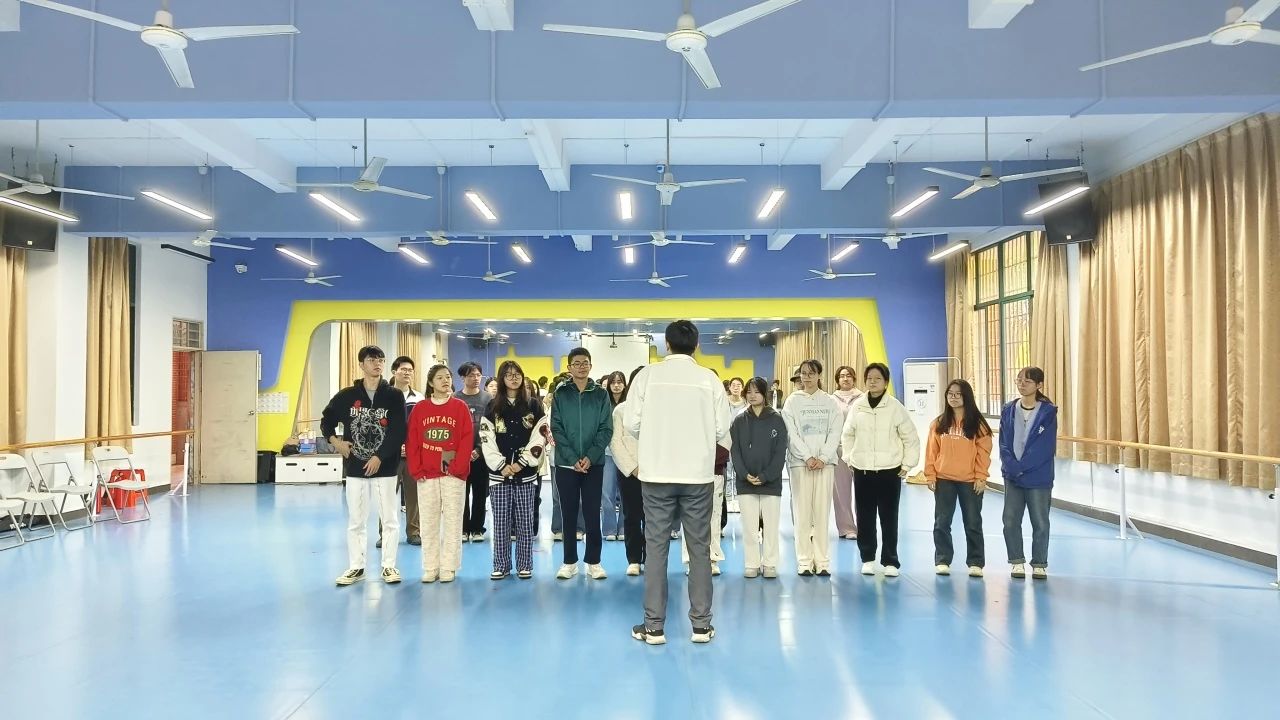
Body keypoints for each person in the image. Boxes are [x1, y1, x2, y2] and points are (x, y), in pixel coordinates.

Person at [625, 321, 730, 645]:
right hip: (697, 476)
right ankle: (701, 625)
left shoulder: (647, 376)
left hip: (656, 474)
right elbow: (722, 428)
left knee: (656, 549)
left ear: (666, 345)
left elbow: (631, 423)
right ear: (696, 346)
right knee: (699, 550)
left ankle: (653, 627)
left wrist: (655, 435)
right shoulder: (709, 379)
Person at [321, 345, 407, 586]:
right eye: (371, 360)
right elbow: (327, 420)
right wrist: (336, 442)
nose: (377, 363)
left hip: (385, 468)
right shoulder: (347, 396)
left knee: (389, 519)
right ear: (361, 364)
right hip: (356, 468)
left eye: (381, 359)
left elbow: (398, 430)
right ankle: (356, 567)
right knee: (356, 521)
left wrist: (380, 456)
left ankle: (389, 565)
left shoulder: (393, 395)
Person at [840, 363, 921, 578]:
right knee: (865, 517)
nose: (873, 382)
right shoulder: (858, 406)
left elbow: (910, 437)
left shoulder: (895, 407)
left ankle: (890, 561)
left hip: (889, 471)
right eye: (869, 378)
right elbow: (847, 434)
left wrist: (907, 464)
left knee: (889, 517)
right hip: (863, 471)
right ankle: (867, 558)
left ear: (886, 382)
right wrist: (849, 458)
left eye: (877, 378)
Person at [550, 348, 614, 580]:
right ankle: (569, 562)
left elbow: (606, 428)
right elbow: (556, 427)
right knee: (568, 513)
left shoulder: (600, 394)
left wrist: (591, 455)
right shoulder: (561, 393)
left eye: (585, 363)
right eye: (576, 363)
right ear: (569, 367)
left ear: (590, 365)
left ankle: (594, 562)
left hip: (593, 464)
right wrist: (571, 458)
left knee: (592, 512)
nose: (581, 367)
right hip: (566, 465)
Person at [480, 361, 548, 580]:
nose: (514, 378)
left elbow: (540, 436)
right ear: (502, 379)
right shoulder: (492, 406)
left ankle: (525, 565)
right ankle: (501, 564)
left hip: (525, 474)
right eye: (508, 374)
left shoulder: (534, 405)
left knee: (525, 522)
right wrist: (501, 464)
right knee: (500, 522)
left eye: (517, 374)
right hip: (499, 475)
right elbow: (486, 437)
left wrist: (522, 462)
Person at [406, 364, 474, 583]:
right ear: (430, 383)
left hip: (453, 475)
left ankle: (449, 566)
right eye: (440, 378)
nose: (445, 381)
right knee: (428, 522)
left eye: (448, 377)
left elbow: (466, 439)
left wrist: (457, 468)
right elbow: (413, 440)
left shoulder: (460, 407)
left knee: (453, 521)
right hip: (426, 475)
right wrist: (416, 469)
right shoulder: (420, 409)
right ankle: (430, 566)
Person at [782, 359, 843, 577]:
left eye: (811, 373)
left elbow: (835, 431)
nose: (806, 377)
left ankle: (822, 561)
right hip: (800, 464)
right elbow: (791, 433)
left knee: (822, 513)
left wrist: (824, 457)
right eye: (803, 373)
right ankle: (804, 561)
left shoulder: (830, 402)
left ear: (819, 375)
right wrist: (807, 456)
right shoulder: (792, 402)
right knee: (802, 514)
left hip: (825, 465)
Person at [925, 379, 992, 577]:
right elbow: (931, 451)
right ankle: (943, 560)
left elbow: (984, 452)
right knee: (942, 522)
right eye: (950, 394)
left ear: (966, 397)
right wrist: (930, 474)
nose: (953, 398)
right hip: (944, 479)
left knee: (973, 522)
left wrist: (981, 476)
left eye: (958, 394)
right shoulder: (938, 423)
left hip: (970, 481)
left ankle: (976, 563)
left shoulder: (978, 424)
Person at [999, 366, 1059, 580]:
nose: (1022, 384)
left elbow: (1045, 448)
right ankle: (1016, 561)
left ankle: (1039, 563)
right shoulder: (1008, 409)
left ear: (1039, 385)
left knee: (1040, 521)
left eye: (1027, 381)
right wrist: (1012, 467)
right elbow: (1003, 443)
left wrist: (1022, 467)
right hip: (1012, 476)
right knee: (1010, 520)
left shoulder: (1047, 413)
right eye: (1019, 380)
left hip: (1038, 477)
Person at [730, 377, 788, 579]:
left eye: (756, 391)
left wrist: (765, 476)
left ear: (764, 394)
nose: (752, 395)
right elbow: (735, 451)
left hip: (771, 483)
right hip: (745, 483)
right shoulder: (739, 420)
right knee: (749, 527)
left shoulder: (776, 419)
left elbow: (780, 452)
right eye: (749, 391)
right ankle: (751, 563)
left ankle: (770, 563)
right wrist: (744, 474)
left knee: (771, 526)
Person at [610, 366, 646, 576]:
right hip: (629, 472)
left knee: (654, 518)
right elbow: (616, 443)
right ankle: (634, 559)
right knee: (631, 515)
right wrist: (633, 468)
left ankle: (652, 558)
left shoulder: (659, 409)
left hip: (655, 472)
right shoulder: (621, 410)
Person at [457, 362, 491, 543]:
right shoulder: (455, 398)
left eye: (478, 375)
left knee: (480, 494)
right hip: (459, 455)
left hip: (482, 454)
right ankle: (463, 528)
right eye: (471, 375)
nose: (476, 378)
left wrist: (478, 449)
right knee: (460, 493)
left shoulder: (488, 399)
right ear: (462, 377)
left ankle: (477, 528)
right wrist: (462, 451)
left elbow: (491, 428)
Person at [391, 355, 422, 546]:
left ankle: (414, 532)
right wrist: (396, 446)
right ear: (394, 372)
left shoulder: (419, 398)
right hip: (389, 456)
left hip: (413, 454)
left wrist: (410, 446)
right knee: (387, 496)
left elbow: (421, 428)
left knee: (414, 496)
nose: (407, 373)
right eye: (403, 369)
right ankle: (385, 534)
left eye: (410, 370)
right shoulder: (384, 396)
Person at [831, 365, 863, 541]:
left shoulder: (863, 398)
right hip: (839, 450)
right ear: (837, 379)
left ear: (854, 378)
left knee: (863, 491)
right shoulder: (831, 399)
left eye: (849, 375)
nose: (845, 378)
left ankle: (864, 526)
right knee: (841, 492)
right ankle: (846, 528)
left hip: (860, 450)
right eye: (842, 376)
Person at [601, 370, 628, 541]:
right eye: (613, 382)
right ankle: (609, 529)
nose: (616, 385)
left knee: (626, 493)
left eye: (619, 382)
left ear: (625, 384)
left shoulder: (630, 405)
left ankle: (624, 527)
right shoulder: (603, 403)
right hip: (607, 453)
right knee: (607, 493)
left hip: (626, 454)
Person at [723, 377, 748, 514]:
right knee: (727, 471)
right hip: (726, 440)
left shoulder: (746, 404)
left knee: (739, 470)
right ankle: (728, 499)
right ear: (729, 387)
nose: (736, 387)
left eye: (739, 385)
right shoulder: (724, 402)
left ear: (742, 387)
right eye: (733, 385)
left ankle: (737, 500)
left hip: (740, 442)